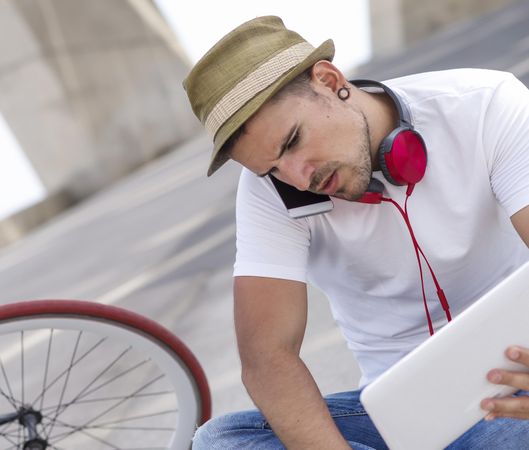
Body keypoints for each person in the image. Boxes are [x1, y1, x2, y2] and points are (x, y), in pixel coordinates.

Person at [183, 15, 529, 449]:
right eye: (271, 169)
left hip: (516, 383)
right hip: (395, 413)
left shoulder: (481, 105)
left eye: (292, 142)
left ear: (329, 80)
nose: (297, 177)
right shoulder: (270, 194)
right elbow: (267, 357)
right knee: (220, 440)